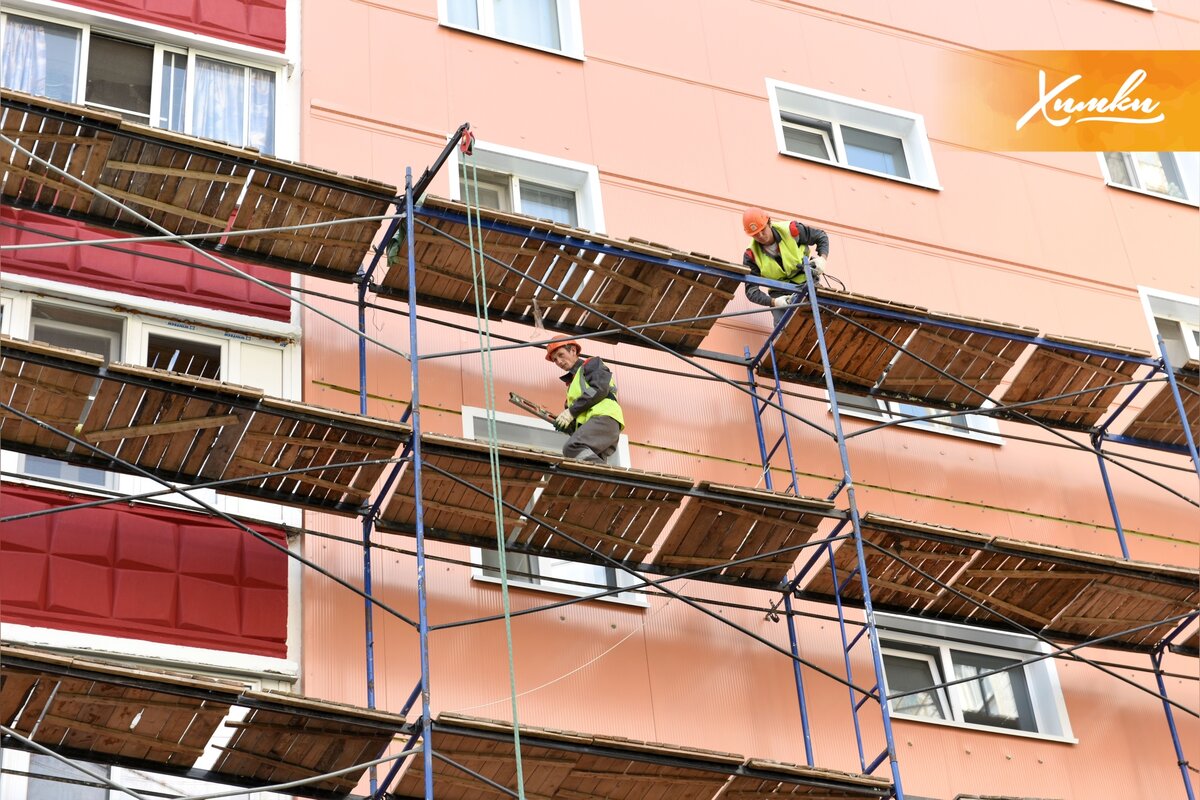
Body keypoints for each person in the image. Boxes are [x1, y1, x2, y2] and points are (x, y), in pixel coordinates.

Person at [741, 207, 830, 327]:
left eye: (763, 230)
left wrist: (822, 259)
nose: (761, 236)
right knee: (782, 328)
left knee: (820, 318)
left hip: (806, 282)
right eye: (756, 235)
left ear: (769, 223)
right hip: (780, 293)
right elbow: (751, 291)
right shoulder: (751, 255)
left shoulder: (791, 230)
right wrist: (774, 302)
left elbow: (821, 236)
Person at [545, 337, 624, 464]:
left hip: (604, 418)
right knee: (590, 463)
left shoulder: (592, 364)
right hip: (599, 425)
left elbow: (599, 389)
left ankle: (604, 476)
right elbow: (579, 415)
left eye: (561, 355)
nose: (559, 361)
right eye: (555, 360)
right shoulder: (573, 385)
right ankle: (604, 481)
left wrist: (571, 412)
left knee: (572, 448)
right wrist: (567, 424)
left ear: (573, 350)